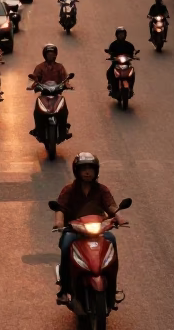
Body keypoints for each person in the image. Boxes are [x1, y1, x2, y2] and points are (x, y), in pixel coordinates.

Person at [53, 153, 124, 302]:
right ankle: (64, 290)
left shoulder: (102, 189)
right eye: (83, 169)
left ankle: (113, 287)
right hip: (74, 230)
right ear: (76, 171)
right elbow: (60, 208)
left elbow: (111, 206)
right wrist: (59, 222)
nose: (87, 172)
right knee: (66, 246)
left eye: (90, 169)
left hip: (97, 230)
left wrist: (119, 218)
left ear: (96, 171)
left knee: (112, 241)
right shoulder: (69, 190)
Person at [29, 44, 73, 139]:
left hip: (57, 94)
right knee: (37, 111)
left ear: (55, 55)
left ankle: (64, 129)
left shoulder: (60, 67)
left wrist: (68, 85)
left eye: (52, 54)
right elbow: (35, 79)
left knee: (64, 110)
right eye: (48, 54)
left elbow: (65, 79)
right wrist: (33, 86)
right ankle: (37, 129)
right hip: (44, 94)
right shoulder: (40, 67)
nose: (50, 56)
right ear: (45, 55)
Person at [106, 26, 137, 92]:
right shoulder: (113, 45)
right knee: (109, 71)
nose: (121, 36)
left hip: (126, 63)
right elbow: (110, 51)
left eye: (122, 34)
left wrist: (134, 56)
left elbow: (133, 51)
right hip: (116, 63)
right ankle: (110, 84)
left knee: (132, 73)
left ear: (125, 35)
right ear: (116, 35)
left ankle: (131, 87)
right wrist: (111, 56)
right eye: (119, 34)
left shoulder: (129, 45)